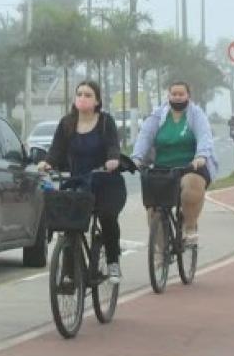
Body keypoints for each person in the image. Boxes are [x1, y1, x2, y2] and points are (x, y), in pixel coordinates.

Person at [38, 80, 127, 283]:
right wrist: (48, 163)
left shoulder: (106, 122)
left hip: (106, 182)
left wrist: (113, 159)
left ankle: (113, 262)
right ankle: (70, 270)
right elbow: (56, 149)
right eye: (80, 94)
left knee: (107, 217)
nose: (83, 98)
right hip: (79, 182)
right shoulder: (67, 123)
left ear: (97, 101)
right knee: (69, 223)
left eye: (88, 95)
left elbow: (114, 145)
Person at [132, 80, 218, 246]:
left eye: (181, 94)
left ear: (188, 96)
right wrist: (137, 158)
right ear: (168, 96)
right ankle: (159, 251)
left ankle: (190, 226)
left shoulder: (196, 115)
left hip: (191, 166)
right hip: (162, 167)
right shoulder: (157, 116)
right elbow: (144, 137)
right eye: (174, 94)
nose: (177, 97)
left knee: (191, 188)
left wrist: (200, 156)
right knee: (153, 209)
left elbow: (204, 136)